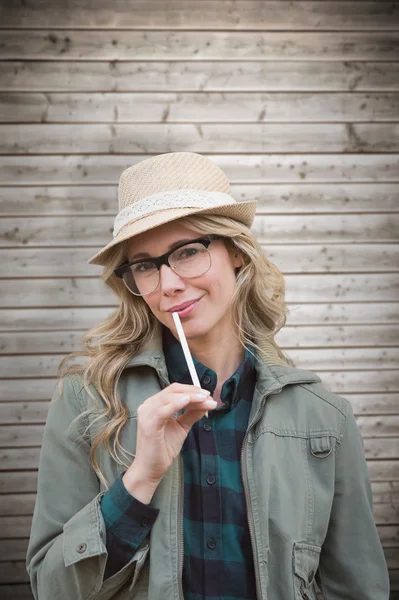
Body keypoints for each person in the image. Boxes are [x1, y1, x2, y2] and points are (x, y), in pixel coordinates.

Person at [26, 152, 389, 600]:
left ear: (235, 252)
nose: (169, 284)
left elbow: (357, 587)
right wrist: (141, 476)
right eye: (144, 265)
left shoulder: (324, 419)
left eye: (189, 252)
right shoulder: (87, 399)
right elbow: (49, 588)